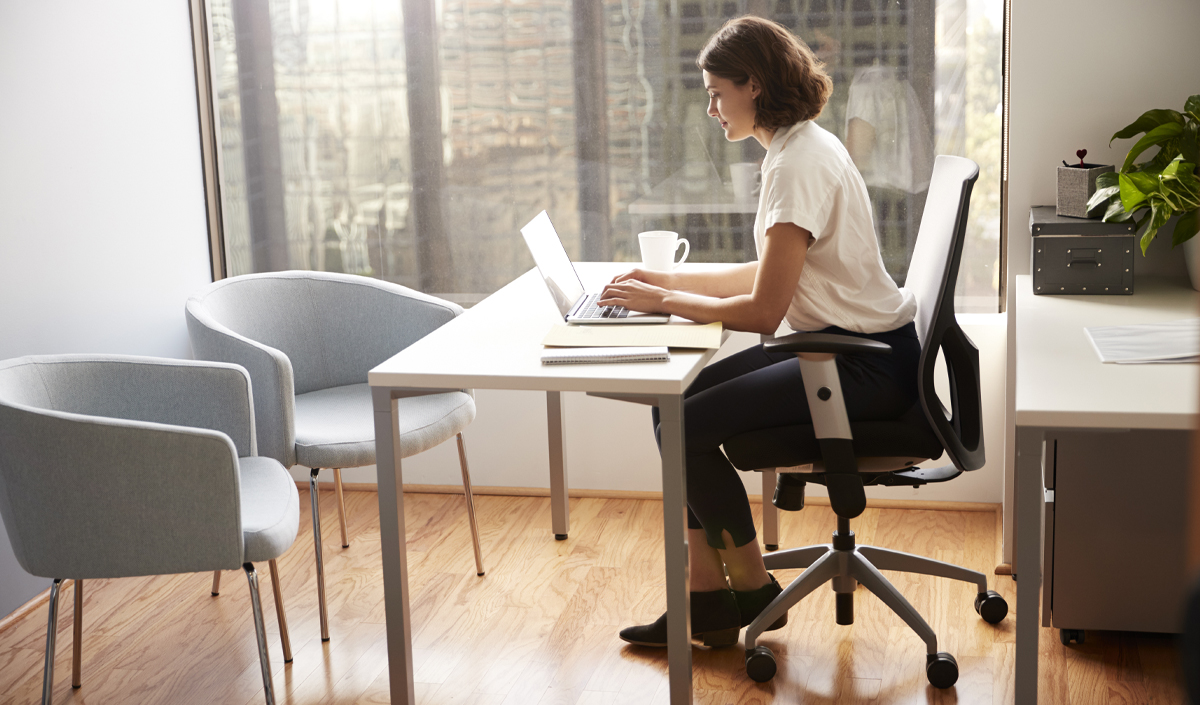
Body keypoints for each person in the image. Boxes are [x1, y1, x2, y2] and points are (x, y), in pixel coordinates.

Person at [599, 16, 920, 649]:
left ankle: (748, 588)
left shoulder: (797, 163)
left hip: (861, 366)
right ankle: (705, 597)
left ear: (754, 85)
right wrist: (669, 279)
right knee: (676, 410)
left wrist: (664, 298)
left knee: (685, 424)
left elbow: (763, 311)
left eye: (719, 93)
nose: (713, 109)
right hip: (846, 348)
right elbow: (771, 271)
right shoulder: (797, 147)